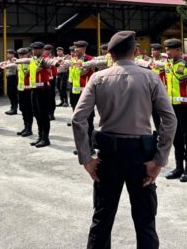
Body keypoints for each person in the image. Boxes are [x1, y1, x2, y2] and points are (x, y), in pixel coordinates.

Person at [71, 31, 177, 249]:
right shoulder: (149, 77)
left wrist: (86, 158)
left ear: (110, 54)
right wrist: (159, 160)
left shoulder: (98, 78)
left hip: (108, 156)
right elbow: (169, 119)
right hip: (141, 156)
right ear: (136, 51)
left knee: (102, 218)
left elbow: (78, 118)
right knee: (145, 220)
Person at [3, 42, 60, 147]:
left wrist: (56, 62)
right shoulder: (33, 59)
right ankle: (40, 136)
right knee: (36, 113)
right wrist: (15, 60)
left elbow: (50, 61)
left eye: (35, 49)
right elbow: (24, 60)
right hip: (34, 89)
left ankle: (45, 138)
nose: (33, 51)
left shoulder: (43, 59)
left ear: (41, 50)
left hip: (43, 89)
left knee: (43, 115)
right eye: (32, 49)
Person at [159, 38, 187, 183]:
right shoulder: (168, 63)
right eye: (166, 49)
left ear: (178, 50)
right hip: (172, 106)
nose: (167, 52)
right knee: (176, 138)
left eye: (169, 49)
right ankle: (178, 167)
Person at [16, 48, 33, 137]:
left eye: (23, 54)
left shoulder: (30, 62)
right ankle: (25, 127)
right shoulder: (19, 63)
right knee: (22, 108)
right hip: (21, 89)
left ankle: (29, 129)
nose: (21, 56)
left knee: (28, 109)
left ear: (27, 54)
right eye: (19, 55)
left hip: (28, 89)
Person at [44, 44, 58, 120]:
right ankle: (46, 112)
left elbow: (55, 69)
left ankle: (51, 113)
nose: (47, 51)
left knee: (51, 96)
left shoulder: (53, 58)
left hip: (51, 79)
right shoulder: (42, 58)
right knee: (44, 97)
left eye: (48, 50)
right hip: (44, 79)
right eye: (46, 50)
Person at [3, 49, 19, 116]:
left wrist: (7, 66)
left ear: (12, 54)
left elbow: (16, 65)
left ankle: (14, 109)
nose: (7, 55)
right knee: (10, 93)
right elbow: (3, 64)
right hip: (9, 78)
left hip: (13, 78)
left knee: (13, 93)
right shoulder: (8, 61)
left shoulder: (14, 59)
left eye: (8, 54)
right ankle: (12, 107)